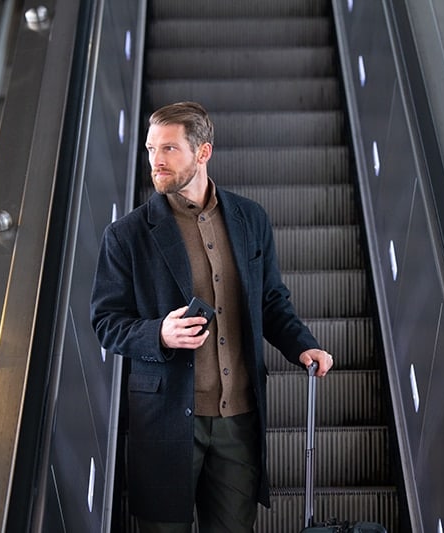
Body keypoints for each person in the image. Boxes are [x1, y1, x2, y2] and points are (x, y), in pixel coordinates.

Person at [90, 101, 334, 532]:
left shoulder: (249, 219)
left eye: (169, 149)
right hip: (165, 420)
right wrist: (158, 334)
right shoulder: (126, 235)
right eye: (150, 149)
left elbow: (271, 300)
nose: (156, 162)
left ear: (203, 153)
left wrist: (303, 346)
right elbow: (106, 322)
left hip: (238, 419)